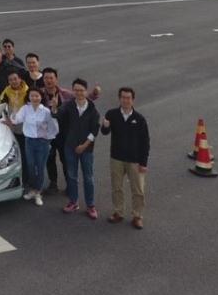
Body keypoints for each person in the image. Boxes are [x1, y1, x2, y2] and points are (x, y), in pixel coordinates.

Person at [41, 68, 101, 193]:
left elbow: (82, 97)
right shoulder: (40, 94)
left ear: (56, 79)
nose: (48, 80)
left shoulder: (65, 94)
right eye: (46, 78)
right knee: (50, 158)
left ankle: (70, 185)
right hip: (47, 133)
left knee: (65, 160)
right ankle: (53, 184)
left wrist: (94, 93)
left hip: (64, 133)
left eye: (51, 78)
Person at [99, 87, 150, 229]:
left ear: (133, 100)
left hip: (135, 160)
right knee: (117, 187)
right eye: (123, 97)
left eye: (128, 98)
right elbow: (104, 132)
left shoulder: (139, 119)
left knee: (138, 190)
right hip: (116, 158)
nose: (125, 100)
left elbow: (145, 142)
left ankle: (137, 216)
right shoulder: (112, 114)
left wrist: (143, 163)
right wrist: (105, 126)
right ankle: (118, 212)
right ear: (119, 98)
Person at [7, 87, 58, 206]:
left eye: (37, 96)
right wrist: (14, 110)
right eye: (32, 96)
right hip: (29, 141)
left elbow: (54, 127)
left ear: (41, 97)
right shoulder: (25, 109)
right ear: (29, 97)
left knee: (40, 168)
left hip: (42, 142)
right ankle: (33, 190)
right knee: (30, 166)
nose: (34, 98)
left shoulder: (46, 111)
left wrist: (49, 140)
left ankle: (38, 192)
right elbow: (16, 120)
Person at [59, 78, 101, 219]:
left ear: (86, 91)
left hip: (86, 149)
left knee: (88, 177)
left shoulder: (92, 109)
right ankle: (73, 202)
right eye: (76, 90)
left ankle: (90, 205)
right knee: (72, 176)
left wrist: (84, 145)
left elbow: (94, 130)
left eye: (81, 90)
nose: (78, 93)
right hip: (70, 147)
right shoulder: (68, 106)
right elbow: (58, 115)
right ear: (73, 91)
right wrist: (53, 108)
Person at [0, 71, 31, 189]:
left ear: (20, 79)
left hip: (26, 128)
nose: (13, 81)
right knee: (15, 155)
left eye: (15, 79)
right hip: (13, 128)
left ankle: (27, 180)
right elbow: (1, 105)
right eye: (11, 80)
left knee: (26, 155)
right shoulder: (7, 91)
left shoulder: (27, 91)